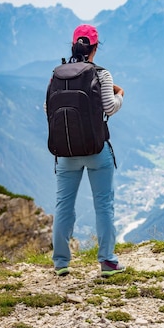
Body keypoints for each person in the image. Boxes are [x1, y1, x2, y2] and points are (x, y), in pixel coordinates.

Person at [51, 24, 125, 277]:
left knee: (63, 205)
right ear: (94, 48)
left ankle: (61, 262)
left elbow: (47, 110)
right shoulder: (102, 74)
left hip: (66, 152)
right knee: (103, 204)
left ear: (73, 45)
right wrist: (121, 94)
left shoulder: (56, 75)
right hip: (96, 149)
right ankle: (107, 261)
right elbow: (109, 108)